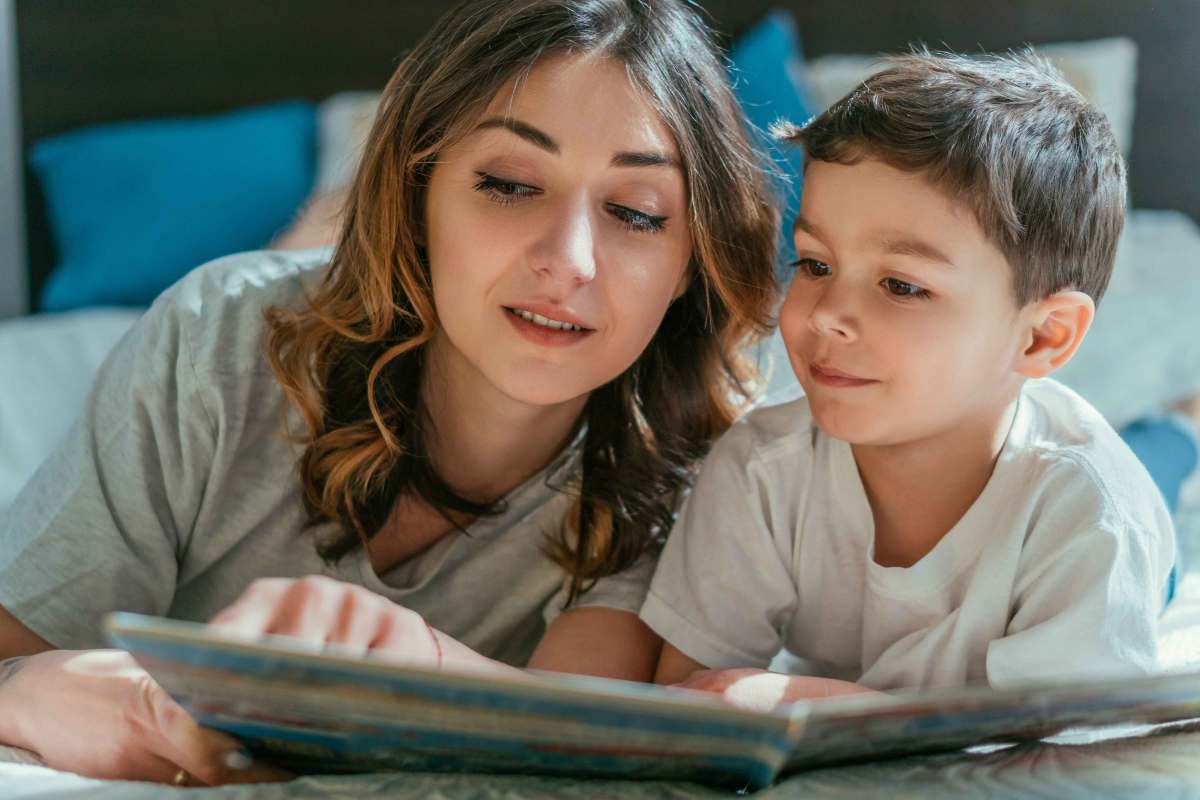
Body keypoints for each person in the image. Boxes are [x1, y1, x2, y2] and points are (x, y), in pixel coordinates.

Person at [0, 0, 779, 785]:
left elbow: (581, 742)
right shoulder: (219, 341)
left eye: (636, 213)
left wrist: (417, 664)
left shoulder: (698, 466)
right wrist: (27, 691)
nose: (569, 260)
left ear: (690, 263)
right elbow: (12, 654)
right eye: (510, 184)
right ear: (417, 194)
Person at [643, 51, 1176, 708]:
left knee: (1158, 462)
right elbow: (687, 706)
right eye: (814, 264)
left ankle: (1180, 428)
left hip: (1116, 501)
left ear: (1043, 335)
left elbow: (1066, 758)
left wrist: (826, 706)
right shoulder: (761, 470)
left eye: (901, 285)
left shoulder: (1094, 519)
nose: (829, 315)